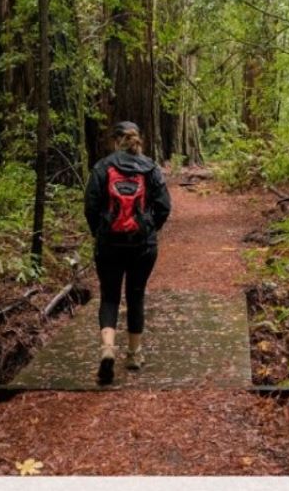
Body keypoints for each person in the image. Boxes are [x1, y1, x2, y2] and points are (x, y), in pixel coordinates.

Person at [84, 121, 171, 385]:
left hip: (109, 245)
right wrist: (148, 229)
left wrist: (99, 232)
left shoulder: (103, 167)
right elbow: (164, 206)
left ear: (116, 141)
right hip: (142, 247)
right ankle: (134, 354)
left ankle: (108, 348)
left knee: (109, 297)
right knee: (135, 296)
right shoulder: (151, 168)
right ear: (136, 140)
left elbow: (90, 206)